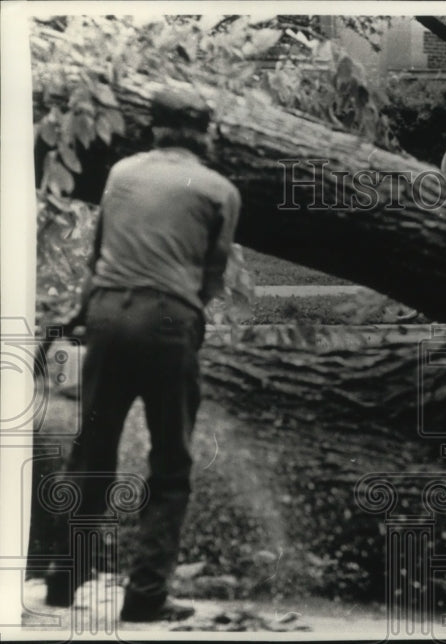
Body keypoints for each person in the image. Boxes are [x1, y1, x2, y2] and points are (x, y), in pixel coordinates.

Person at [44, 88, 241, 622]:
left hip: (106, 313)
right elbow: (211, 280)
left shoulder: (120, 174)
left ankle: (64, 580)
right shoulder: (220, 190)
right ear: (204, 135)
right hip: (169, 318)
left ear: (152, 130)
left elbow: (96, 254)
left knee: (92, 453)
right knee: (171, 461)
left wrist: (87, 316)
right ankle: (146, 595)